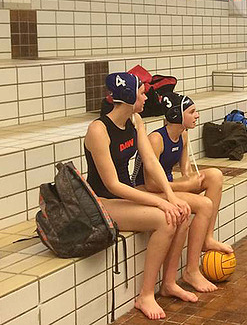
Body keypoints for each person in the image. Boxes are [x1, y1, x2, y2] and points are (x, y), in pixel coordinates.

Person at [84, 72, 197, 320]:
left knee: (182, 212)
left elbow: (150, 162)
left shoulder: (135, 121)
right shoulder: (98, 130)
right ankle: (145, 295)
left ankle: (168, 282)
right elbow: (112, 184)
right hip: (103, 202)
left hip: (127, 194)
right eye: (142, 92)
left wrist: (170, 195)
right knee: (165, 219)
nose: (147, 96)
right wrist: (159, 202)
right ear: (127, 96)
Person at [132, 93, 233, 291]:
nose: (197, 116)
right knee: (204, 205)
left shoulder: (183, 134)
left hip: (166, 187)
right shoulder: (156, 139)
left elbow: (186, 172)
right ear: (177, 115)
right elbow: (151, 184)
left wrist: (191, 182)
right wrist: (186, 186)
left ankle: (207, 238)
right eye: (192, 112)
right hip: (146, 190)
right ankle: (191, 271)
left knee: (214, 175)